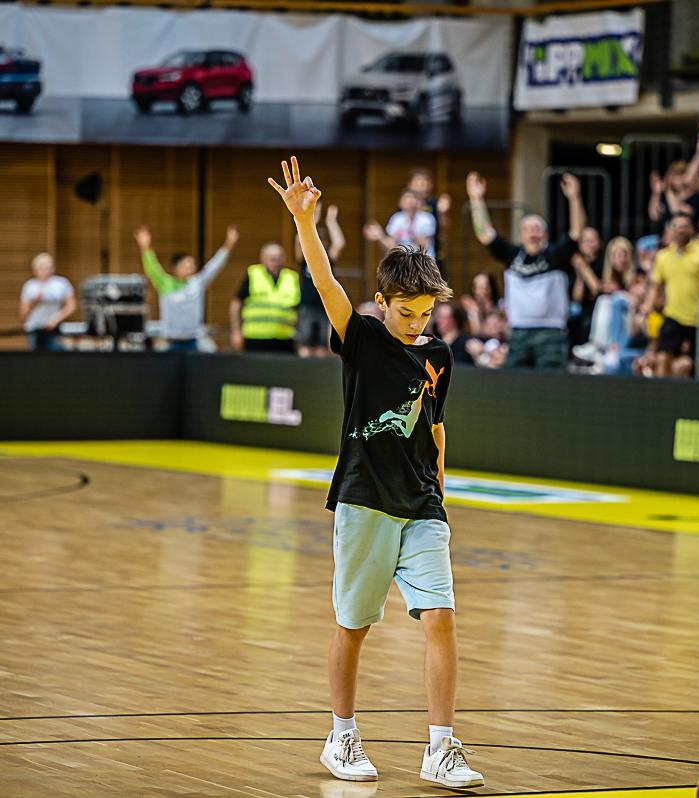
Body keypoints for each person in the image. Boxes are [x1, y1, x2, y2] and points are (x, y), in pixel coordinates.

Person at [268, 156, 482, 790]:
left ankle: (440, 748)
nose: (417, 323)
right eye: (407, 312)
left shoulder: (439, 355)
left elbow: (435, 427)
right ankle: (341, 735)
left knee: (441, 617)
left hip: (422, 504)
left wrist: (441, 491)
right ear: (383, 302)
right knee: (354, 625)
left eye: (426, 313)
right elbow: (326, 282)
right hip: (364, 499)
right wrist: (304, 221)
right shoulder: (361, 338)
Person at [466, 170, 597, 370]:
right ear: (522, 234)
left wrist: (574, 198)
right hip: (519, 332)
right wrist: (476, 199)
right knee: (516, 384)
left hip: (551, 332)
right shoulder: (512, 255)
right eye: (528, 229)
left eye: (537, 229)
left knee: (551, 382)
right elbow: (485, 234)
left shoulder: (556, 255)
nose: (533, 233)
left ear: (545, 235)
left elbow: (577, 232)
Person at [643, 212, 699, 378]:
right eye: (676, 226)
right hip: (674, 315)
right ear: (670, 229)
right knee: (662, 357)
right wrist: (648, 303)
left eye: (684, 226)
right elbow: (655, 285)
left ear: (692, 229)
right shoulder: (663, 256)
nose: (680, 230)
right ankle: (663, 391)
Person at [134, 225, 238, 351]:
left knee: (211, 350)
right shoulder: (165, 283)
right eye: (187, 265)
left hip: (194, 340)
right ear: (176, 268)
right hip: (171, 340)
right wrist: (145, 248)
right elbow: (152, 268)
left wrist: (228, 245)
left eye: (192, 265)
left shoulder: (197, 282)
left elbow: (213, 267)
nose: (191, 268)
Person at [229, 243, 301, 354]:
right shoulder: (253, 274)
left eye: (278, 258)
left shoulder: (292, 277)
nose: (275, 262)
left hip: (285, 339)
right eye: (272, 259)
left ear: (284, 259)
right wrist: (236, 331)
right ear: (263, 259)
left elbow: (300, 307)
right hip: (255, 338)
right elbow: (236, 304)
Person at [296, 203, 346, 358]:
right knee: (305, 348)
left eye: (322, 239)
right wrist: (312, 219)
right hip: (307, 307)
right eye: (317, 238)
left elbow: (339, 243)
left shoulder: (329, 257)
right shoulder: (304, 257)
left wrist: (331, 221)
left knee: (324, 348)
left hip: (326, 306)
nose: (320, 242)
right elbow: (298, 239)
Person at [19, 252, 76, 351]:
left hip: (54, 328)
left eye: (48, 267)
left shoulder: (61, 283)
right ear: (35, 269)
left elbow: (71, 306)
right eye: (41, 267)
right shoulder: (29, 286)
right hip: (34, 329)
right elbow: (23, 314)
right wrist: (34, 301)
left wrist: (57, 319)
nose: (45, 271)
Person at [365, 190, 437, 257]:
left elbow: (423, 246)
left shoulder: (427, 219)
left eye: (412, 201)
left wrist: (410, 228)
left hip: (422, 261)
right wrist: (380, 235)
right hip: (402, 261)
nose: (410, 204)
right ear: (401, 203)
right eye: (407, 201)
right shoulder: (397, 219)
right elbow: (391, 247)